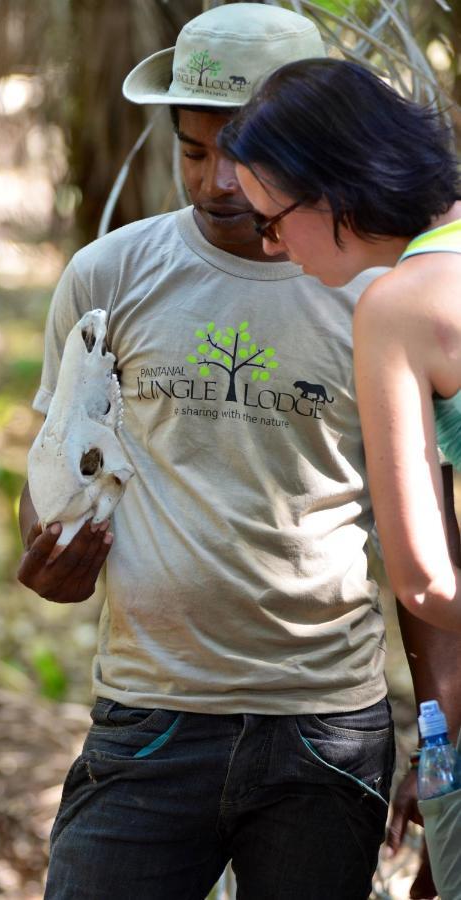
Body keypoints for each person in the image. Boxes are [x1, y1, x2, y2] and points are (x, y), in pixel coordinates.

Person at [17, 8, 461, 899]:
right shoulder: (110, 275)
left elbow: (425, 548)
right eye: (193, 151)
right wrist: (48, 553)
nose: (221, 183)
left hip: (322, 727)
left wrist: (437, 737)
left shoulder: (383, 290)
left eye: (244, 154)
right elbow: (61, 458)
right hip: (149, 717)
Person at [218, 58, 461, 633]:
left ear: (330, 191)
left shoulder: (398, 304)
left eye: (269, 222)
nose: (272, 247)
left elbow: (425, 581)